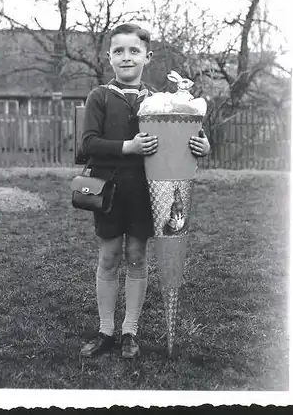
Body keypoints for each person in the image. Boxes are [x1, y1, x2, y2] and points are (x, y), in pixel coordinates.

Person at [80, 23, 210, 359]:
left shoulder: (160, 101)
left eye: (134, 51)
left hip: (146, 193)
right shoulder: (99, 96)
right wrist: (129, 146)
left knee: (137, 258)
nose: (126, 57)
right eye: (119, 51)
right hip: (107, 191)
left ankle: (130, 332)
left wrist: (201, 145)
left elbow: (180, 140)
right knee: (108, 258)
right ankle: (106, 330)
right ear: (109, 56)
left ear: (147, 57)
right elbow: (88, 146)